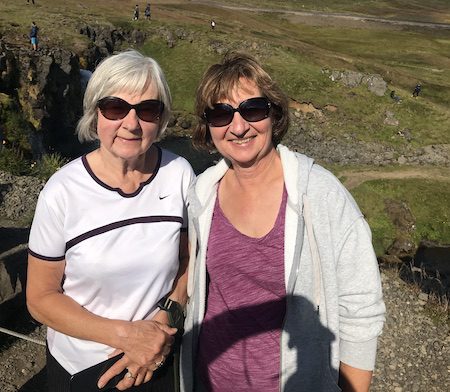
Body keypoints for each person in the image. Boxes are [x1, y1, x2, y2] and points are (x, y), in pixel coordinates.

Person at [181, 53, 385, 392]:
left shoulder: (319, 194)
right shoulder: (202, 192)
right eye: (220, 114)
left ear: (274, 114)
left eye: (253, 109)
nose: (238, 126)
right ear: (208, 126)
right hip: (209, 381)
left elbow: (361, 310)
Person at [27, 50, 196, 391]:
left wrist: (165, 318)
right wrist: (127, 336)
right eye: (116, 108)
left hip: (159, 358)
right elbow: (39, 298)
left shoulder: (178, 175)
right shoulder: (62, 191)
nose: (131, 124)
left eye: (148, 110)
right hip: (86, 368)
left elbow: (189, 260)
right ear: (95, 112)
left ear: (161, 119)